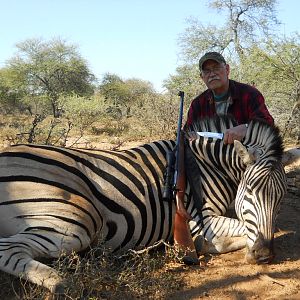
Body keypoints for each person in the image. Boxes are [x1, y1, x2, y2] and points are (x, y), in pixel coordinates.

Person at [186, 51, 274, 144]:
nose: (212, 74)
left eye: (216, 68)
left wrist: (247, 128)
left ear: (227, 69)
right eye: (207, 71)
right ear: (202, 77)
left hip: (246, 154)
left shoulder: (249, 94)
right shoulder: (197, 104)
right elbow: (186, 134)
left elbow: (268, 123)